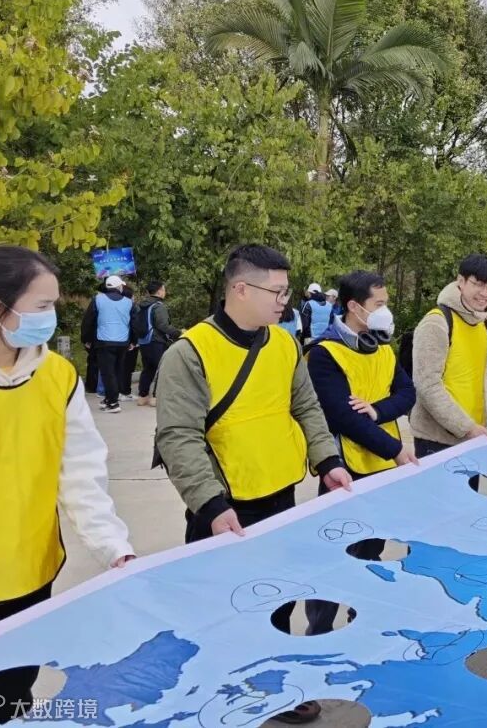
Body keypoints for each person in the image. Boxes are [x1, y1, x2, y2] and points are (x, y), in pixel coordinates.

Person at [154, 245, 351, 725]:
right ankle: (223, 695)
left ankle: (283, 687)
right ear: (240, 289)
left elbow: (305, 406)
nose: (285, 300)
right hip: (224, 509)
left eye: (286, 291)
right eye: (277, 291)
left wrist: (327, 460)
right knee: (223, 608)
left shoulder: (285, 344)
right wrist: (209, 504)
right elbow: (178, 437)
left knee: (282, 599)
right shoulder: (190, 353)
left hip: (282, 497)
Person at [0, 247, 134, 724]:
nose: (51, 318)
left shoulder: (56, 375)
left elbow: (80, 471)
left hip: (31, 572)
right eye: (42, 306)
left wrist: (113, 547)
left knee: (4, 699)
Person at [308, 271, 417, 482]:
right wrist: (395, 449)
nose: (385, 311)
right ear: (353, 306)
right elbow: (344, 417)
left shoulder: (382, 348)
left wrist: (376, 411)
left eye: (386, 304)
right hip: (348, 468)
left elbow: (408, 392)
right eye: (379, 305)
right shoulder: (324, 352)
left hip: (387, 462)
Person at [409, 254, 487, 458]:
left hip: (474, 434)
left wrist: (476, 427)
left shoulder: (482, 321)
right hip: (438, 439)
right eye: (478, 284)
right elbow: (427, 385)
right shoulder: (436, 322)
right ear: (461, 281)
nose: (485, 293)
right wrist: (466, 427)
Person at [81, 274, 133, 413]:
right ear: (119, 287)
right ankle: (109, 399)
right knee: (117, 371)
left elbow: (88, 321)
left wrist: (86, 339)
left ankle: (113, 403)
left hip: (104, 341)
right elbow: (134, 323)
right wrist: (133, 341)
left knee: (107, 372)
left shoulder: (98, 299)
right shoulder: (128, 302)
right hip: (122, 342)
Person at [134, 281, 182, 407]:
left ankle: (142, 397)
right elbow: (163, 325)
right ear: (159, 291)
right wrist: (179, 333)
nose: (165, 292)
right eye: (164, 289)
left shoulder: (140, 305)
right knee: (161, 369)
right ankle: (155, 397)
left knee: (147, 369)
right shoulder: (159, 306)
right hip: (156, 341)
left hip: (144, 341)